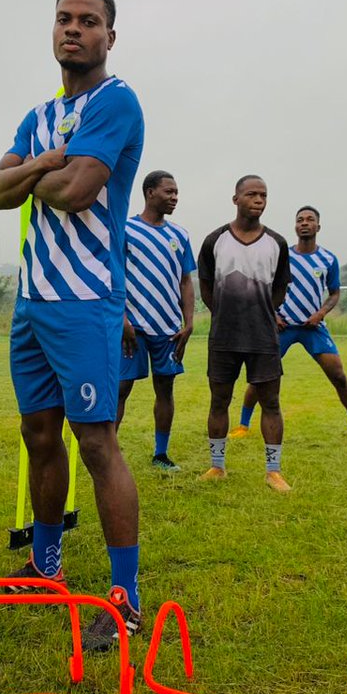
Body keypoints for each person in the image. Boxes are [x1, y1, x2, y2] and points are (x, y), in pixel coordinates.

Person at [0, 0, 144, 650]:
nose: (72, 29)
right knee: (39, 436)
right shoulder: (36, 117)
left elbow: (78, 191)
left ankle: (123, 598)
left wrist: (37, 172)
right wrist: (46, 161)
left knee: (97, 443)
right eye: (63, 19)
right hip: (33, 303)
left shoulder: (118, 102)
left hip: (85, 303)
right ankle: (44, 568)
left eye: (87, 20)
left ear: (110, 34)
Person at [231, 207, 347, 444]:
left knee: (339, 376)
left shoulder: (328, 259)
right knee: (260, 378)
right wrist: (273, 315)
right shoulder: (282, 257)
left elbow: (334, 293)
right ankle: (242, 425)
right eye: (300, 220)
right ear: (295, 226)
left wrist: (321, 313)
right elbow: (262, 288)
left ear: (318, 227)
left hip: (313, 329)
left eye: (310, 220)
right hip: (282, 327)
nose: (304, 223)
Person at [197, 175, 292, 492]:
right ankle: (217, 466)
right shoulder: (215, 240)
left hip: (263, 337)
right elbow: (207, 286)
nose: (259, 199)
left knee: (272, 403)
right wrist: (224, 313)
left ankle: (273, 471)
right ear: (235, 198)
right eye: (252, 194)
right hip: (223, 337)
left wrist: (262, 311)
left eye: (264, 195)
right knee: (219, 401)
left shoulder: (277, 243)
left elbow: (280, 286)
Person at [116, 170, 196, 470]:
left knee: (165, 389)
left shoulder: (180, 235)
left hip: (169, 330)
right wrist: (120, 317)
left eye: (177, 192)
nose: (175, 197)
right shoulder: (125, 229)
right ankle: (108, 453)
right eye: (169, 192)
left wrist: (189, 322)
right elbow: (112, 275)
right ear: (150, 192)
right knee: (121, 388)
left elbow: (186, 281)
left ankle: (160, 454)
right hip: (132, 328)